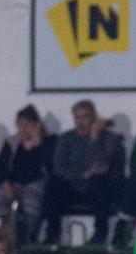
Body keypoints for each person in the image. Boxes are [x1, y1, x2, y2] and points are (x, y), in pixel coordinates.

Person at [44, 100, 124, 245]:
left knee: (100, 181)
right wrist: (83, 174)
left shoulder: (109, 138)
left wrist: (94, 138)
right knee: (53, 184)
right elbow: (59, 168)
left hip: (97, 188)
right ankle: (52, 235)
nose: (81, 122)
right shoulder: (66, 138)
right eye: (77, 117)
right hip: (72, 186)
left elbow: (102, 166)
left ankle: (100, 235)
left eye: (85, 117)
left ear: (94, 117)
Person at [0, 105, 57, 244]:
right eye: (20, 124)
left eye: (27, 124)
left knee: (32, 199)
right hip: (14, 183)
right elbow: (0, 167)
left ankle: (27, 236)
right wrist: (5, 182)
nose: (23, 129)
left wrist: (39, 144)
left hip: (36, 182)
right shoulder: (12, 143)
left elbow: (50, 169)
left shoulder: (50, 142)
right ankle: (7, 229)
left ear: (36, 125)